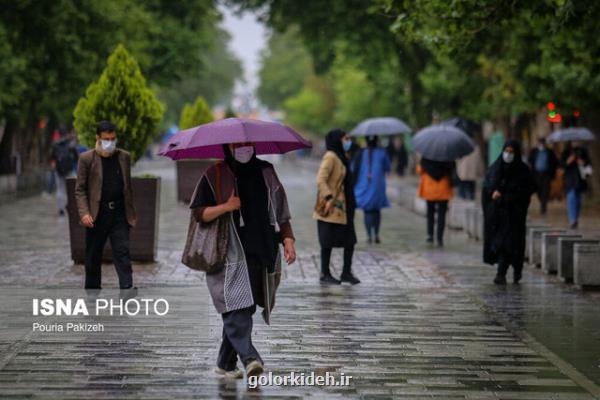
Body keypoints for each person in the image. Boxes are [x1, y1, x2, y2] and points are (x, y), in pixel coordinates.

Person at [190, 142, 296, 379]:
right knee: (235, 305)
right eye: (237, 144)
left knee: (245, 306)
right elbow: (199, 212)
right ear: (226, 146)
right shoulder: (214, 174)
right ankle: (250, 359)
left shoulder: (266, 171)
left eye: (247, 144)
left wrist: (288, 238)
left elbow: (281, 210)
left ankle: (225, 364)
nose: (243, 148)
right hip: (228, 253)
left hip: (263, 249)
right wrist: (226, 207)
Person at [75, 121, 137, 297]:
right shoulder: (87, 158)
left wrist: (131, 213)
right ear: (98, 138)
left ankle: (127, 289)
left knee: (123, 252)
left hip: (119, 213)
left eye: (113, 138)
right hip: (97, 214)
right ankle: (92, 293)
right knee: (93, 255)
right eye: (106, 139)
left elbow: (128, 187)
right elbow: (79, 189)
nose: (110, 142)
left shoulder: (124, 157)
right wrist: (84, 213)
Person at [482, 140, 535, 284]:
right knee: (501, 244)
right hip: (498, 215)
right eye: (507, 151)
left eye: (512, 152)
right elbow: (487, 185)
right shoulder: (495, 168)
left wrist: (509, 197)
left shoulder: (523, 171)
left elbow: (527, 190)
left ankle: (515, 272)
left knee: (513, 244)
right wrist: (493, 192)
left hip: (515, 216)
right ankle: (501, 274)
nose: (508, 155)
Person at [314, 129, 360, 285]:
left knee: (350, 241)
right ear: (337, 140)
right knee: (327, 241)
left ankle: (346, 272)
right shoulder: (330, 156)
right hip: (332, 207)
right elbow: (321, 179)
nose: (347, 142)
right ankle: (325, 273)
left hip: (344, 207)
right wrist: (328, 197)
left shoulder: (341, 156)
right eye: (344, 139)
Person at [353, 135, 391, 244]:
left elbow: (353, 169)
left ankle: (369, 235)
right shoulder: (382, 153)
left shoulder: (360, 154)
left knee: (367, 211)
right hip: (378, 186)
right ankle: (377, 234)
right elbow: (387, 168)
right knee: (377, 210)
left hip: (363, 186)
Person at [417, 158, 453, 247]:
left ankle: (430, 235)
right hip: (443, 188)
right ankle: (440, 238)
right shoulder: (447, 157)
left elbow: (419, 171)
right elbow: (451, 170)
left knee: (430, 213)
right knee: (442, 214)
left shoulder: (426, 157)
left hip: (429, 188)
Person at [561, 143, 592, 229]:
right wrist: (569, 160)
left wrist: (582, 162)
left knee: (578, 201)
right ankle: (572, 220)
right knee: (571, 198)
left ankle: (575, 218)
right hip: (570, 180)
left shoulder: (583, 151)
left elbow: (589, 164)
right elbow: (561, 165)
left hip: (580, 180)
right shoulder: (566, 152)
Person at [51, 128, 79, 215]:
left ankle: (61, 209)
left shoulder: (56, 145)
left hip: (59, 171)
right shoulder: (70, 145)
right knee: (73, 188)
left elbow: (52, 158)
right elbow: (76, 157)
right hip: (69, 170)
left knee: (60, 189)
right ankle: (72, 207)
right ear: (66, 134)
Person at [528, 137, 558, 215]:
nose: (541, 144)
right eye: (540, 143)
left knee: (545, 190)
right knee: (538, 190)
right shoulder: (534, 151)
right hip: (536, 174)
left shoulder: (549, 152)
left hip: (546, 174)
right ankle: (542, 200)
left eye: (543, 143)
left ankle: (543, 207)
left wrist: (552, 172)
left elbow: (555, 162)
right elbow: (530, 161)